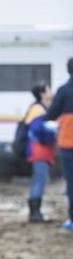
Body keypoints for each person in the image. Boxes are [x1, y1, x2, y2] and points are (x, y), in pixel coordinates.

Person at [43, 57, 73, 230]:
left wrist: (40, 117)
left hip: (69, 144)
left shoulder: (63, 90)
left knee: (71, 182)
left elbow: (51, 114)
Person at [25, 82, 57, 222]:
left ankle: (36, 212)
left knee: (40, 179)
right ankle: (35, 213)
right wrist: (51, 130)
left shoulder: (43, 107)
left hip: (42, 149)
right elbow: (37, 128)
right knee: (40, 179)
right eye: (49, 89)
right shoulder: (38, 109)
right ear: (42, 94)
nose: (51, 91)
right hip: (39, 149)